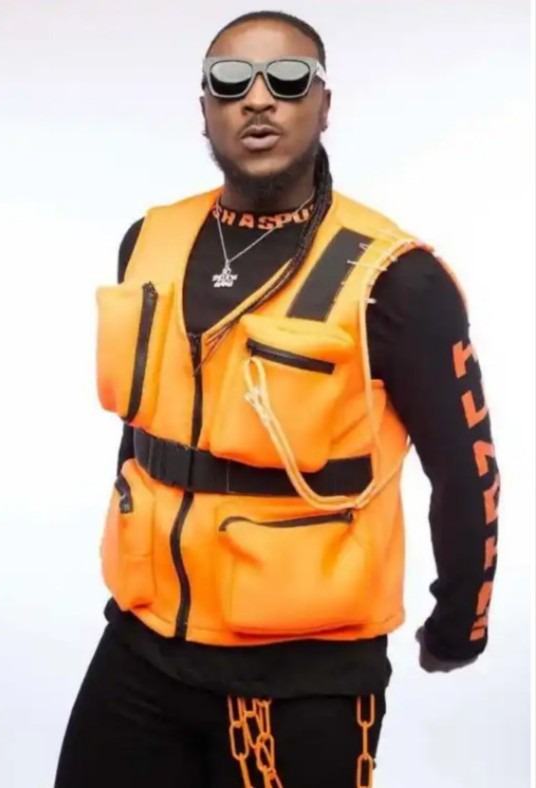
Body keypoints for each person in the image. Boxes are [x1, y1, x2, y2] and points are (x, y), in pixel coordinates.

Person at [54, 10, 500, 787]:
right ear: (204, 109)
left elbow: (467, 474)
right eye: (230, 82)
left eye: (288, 80)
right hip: (141, 650)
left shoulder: (398, 279)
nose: (258, 99)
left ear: (324, 104)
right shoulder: (148, 240)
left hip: (305, 679)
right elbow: (144, 430)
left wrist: (460, 623)